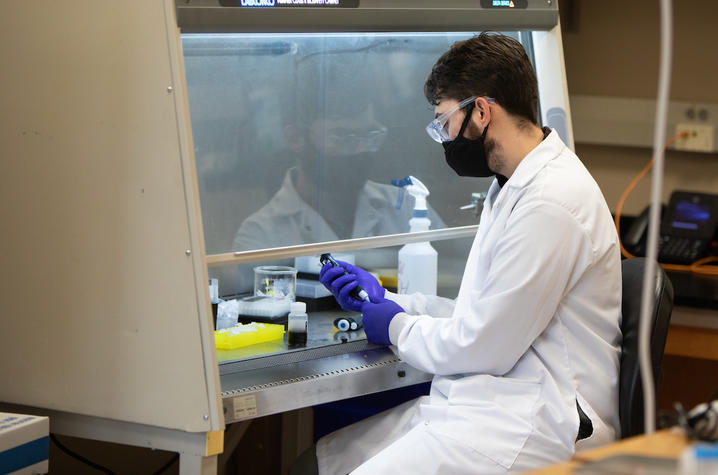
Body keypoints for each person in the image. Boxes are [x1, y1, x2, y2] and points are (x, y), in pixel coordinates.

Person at [312, 32, 623, 473]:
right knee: (325, 459)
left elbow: (484, 344)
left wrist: (397, 327)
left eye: (444, 123)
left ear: (481, 109)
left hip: (534, 423)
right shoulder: (514, 186)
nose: (444, 139)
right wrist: (392, 300)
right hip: (489, 404)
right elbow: (480, 315)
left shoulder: (552, 202)